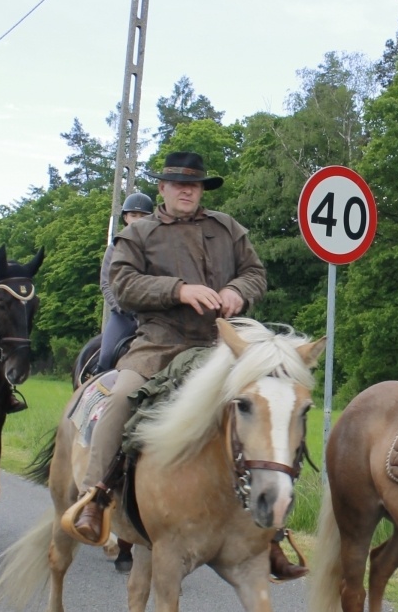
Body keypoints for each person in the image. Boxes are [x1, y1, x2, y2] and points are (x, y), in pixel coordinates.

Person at [60, 151, 304, 580]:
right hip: (158, 345)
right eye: (178, 184)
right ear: (163, 189)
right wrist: (178, 290)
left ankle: (270, 529)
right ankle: (95, 497)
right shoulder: (140, 234)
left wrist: (235, 291)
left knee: (269, 405)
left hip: (221, 348)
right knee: (119, 399)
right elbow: (122, 283)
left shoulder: (227, 228)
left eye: (195, 185)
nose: (188, 191)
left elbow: (255, 273)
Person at [95, 191, 155, 373]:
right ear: (126, 218)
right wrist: (122, 307)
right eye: (133, 215)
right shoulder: (114, 248)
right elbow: (106, 284)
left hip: (154, 316)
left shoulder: (159, 248)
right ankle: (95, 393)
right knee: (106, 356)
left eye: (143, 216)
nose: (137, 220)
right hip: (124, 317)